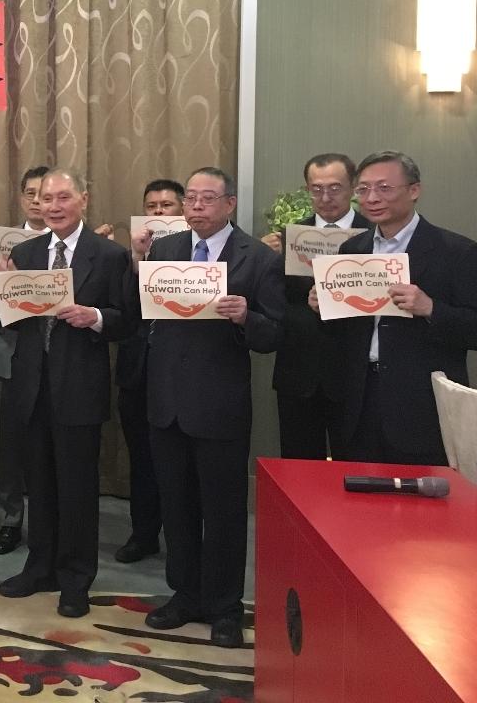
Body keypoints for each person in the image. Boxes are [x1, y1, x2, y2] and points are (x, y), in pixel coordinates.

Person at [141, 166, 283, 648]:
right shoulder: (165, 250)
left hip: (219, 405)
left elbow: (275, 333)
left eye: (207, 199)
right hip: (166, 402)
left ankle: (225, 607)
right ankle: (185, 595)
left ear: (229, 204)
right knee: (176, 507)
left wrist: (248, 317)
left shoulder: (257, 258)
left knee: (223, 512)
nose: (196, 207)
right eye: (191, 199)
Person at [0, 168, 135, 618]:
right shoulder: (25, 252)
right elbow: (12, 321)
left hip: (79, 387)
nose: (52, 206)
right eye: (44, 199)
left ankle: (76, 579)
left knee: (77, 488)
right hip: (31, 386)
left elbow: (127, 320)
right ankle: (40, 568)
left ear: (83, 200)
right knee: (39, 484)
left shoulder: (108, 255)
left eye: (62, 198)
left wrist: (93, 315)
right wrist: (1, 287)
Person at [311, 151, 477, 465]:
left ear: (414, 191)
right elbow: (344, 334)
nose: (371, 198)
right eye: (363, 190)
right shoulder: (352, 250)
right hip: (360, 399)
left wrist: (430, 307)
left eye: (384, 188)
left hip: (420, 405)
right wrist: (323, 307)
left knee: (420, 507)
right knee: (357, 502)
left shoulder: (458, 252)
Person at [261, 153, 367, 460]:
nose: (325, 197)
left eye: (335, 188)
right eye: (316, 188)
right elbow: (272, 303)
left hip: (352, 373)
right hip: (298, 371)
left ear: (353, 188)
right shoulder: (288, 238)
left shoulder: (375, 237)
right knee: (298, 467)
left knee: (355, 466)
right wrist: (266, 258)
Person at [112, 178, 184, 564]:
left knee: (181, 464)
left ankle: (183, 540)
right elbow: (124, 314)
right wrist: (139, 261)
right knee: (142, 460)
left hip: (184, 377)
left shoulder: (201, 255)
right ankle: (143, 534)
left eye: (167, 206)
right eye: (152, 206)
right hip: (138, 372)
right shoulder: (129, 258)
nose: (158, 213)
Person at [0, 165, 50, 556]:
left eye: (47, 193)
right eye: (31, 193)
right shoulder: (4, 245)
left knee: (51, 445)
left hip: (56, 356)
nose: (39, 201)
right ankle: (10, 520)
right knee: (9, 445)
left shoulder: (73, 243)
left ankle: (49, 520)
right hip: (10, 351)